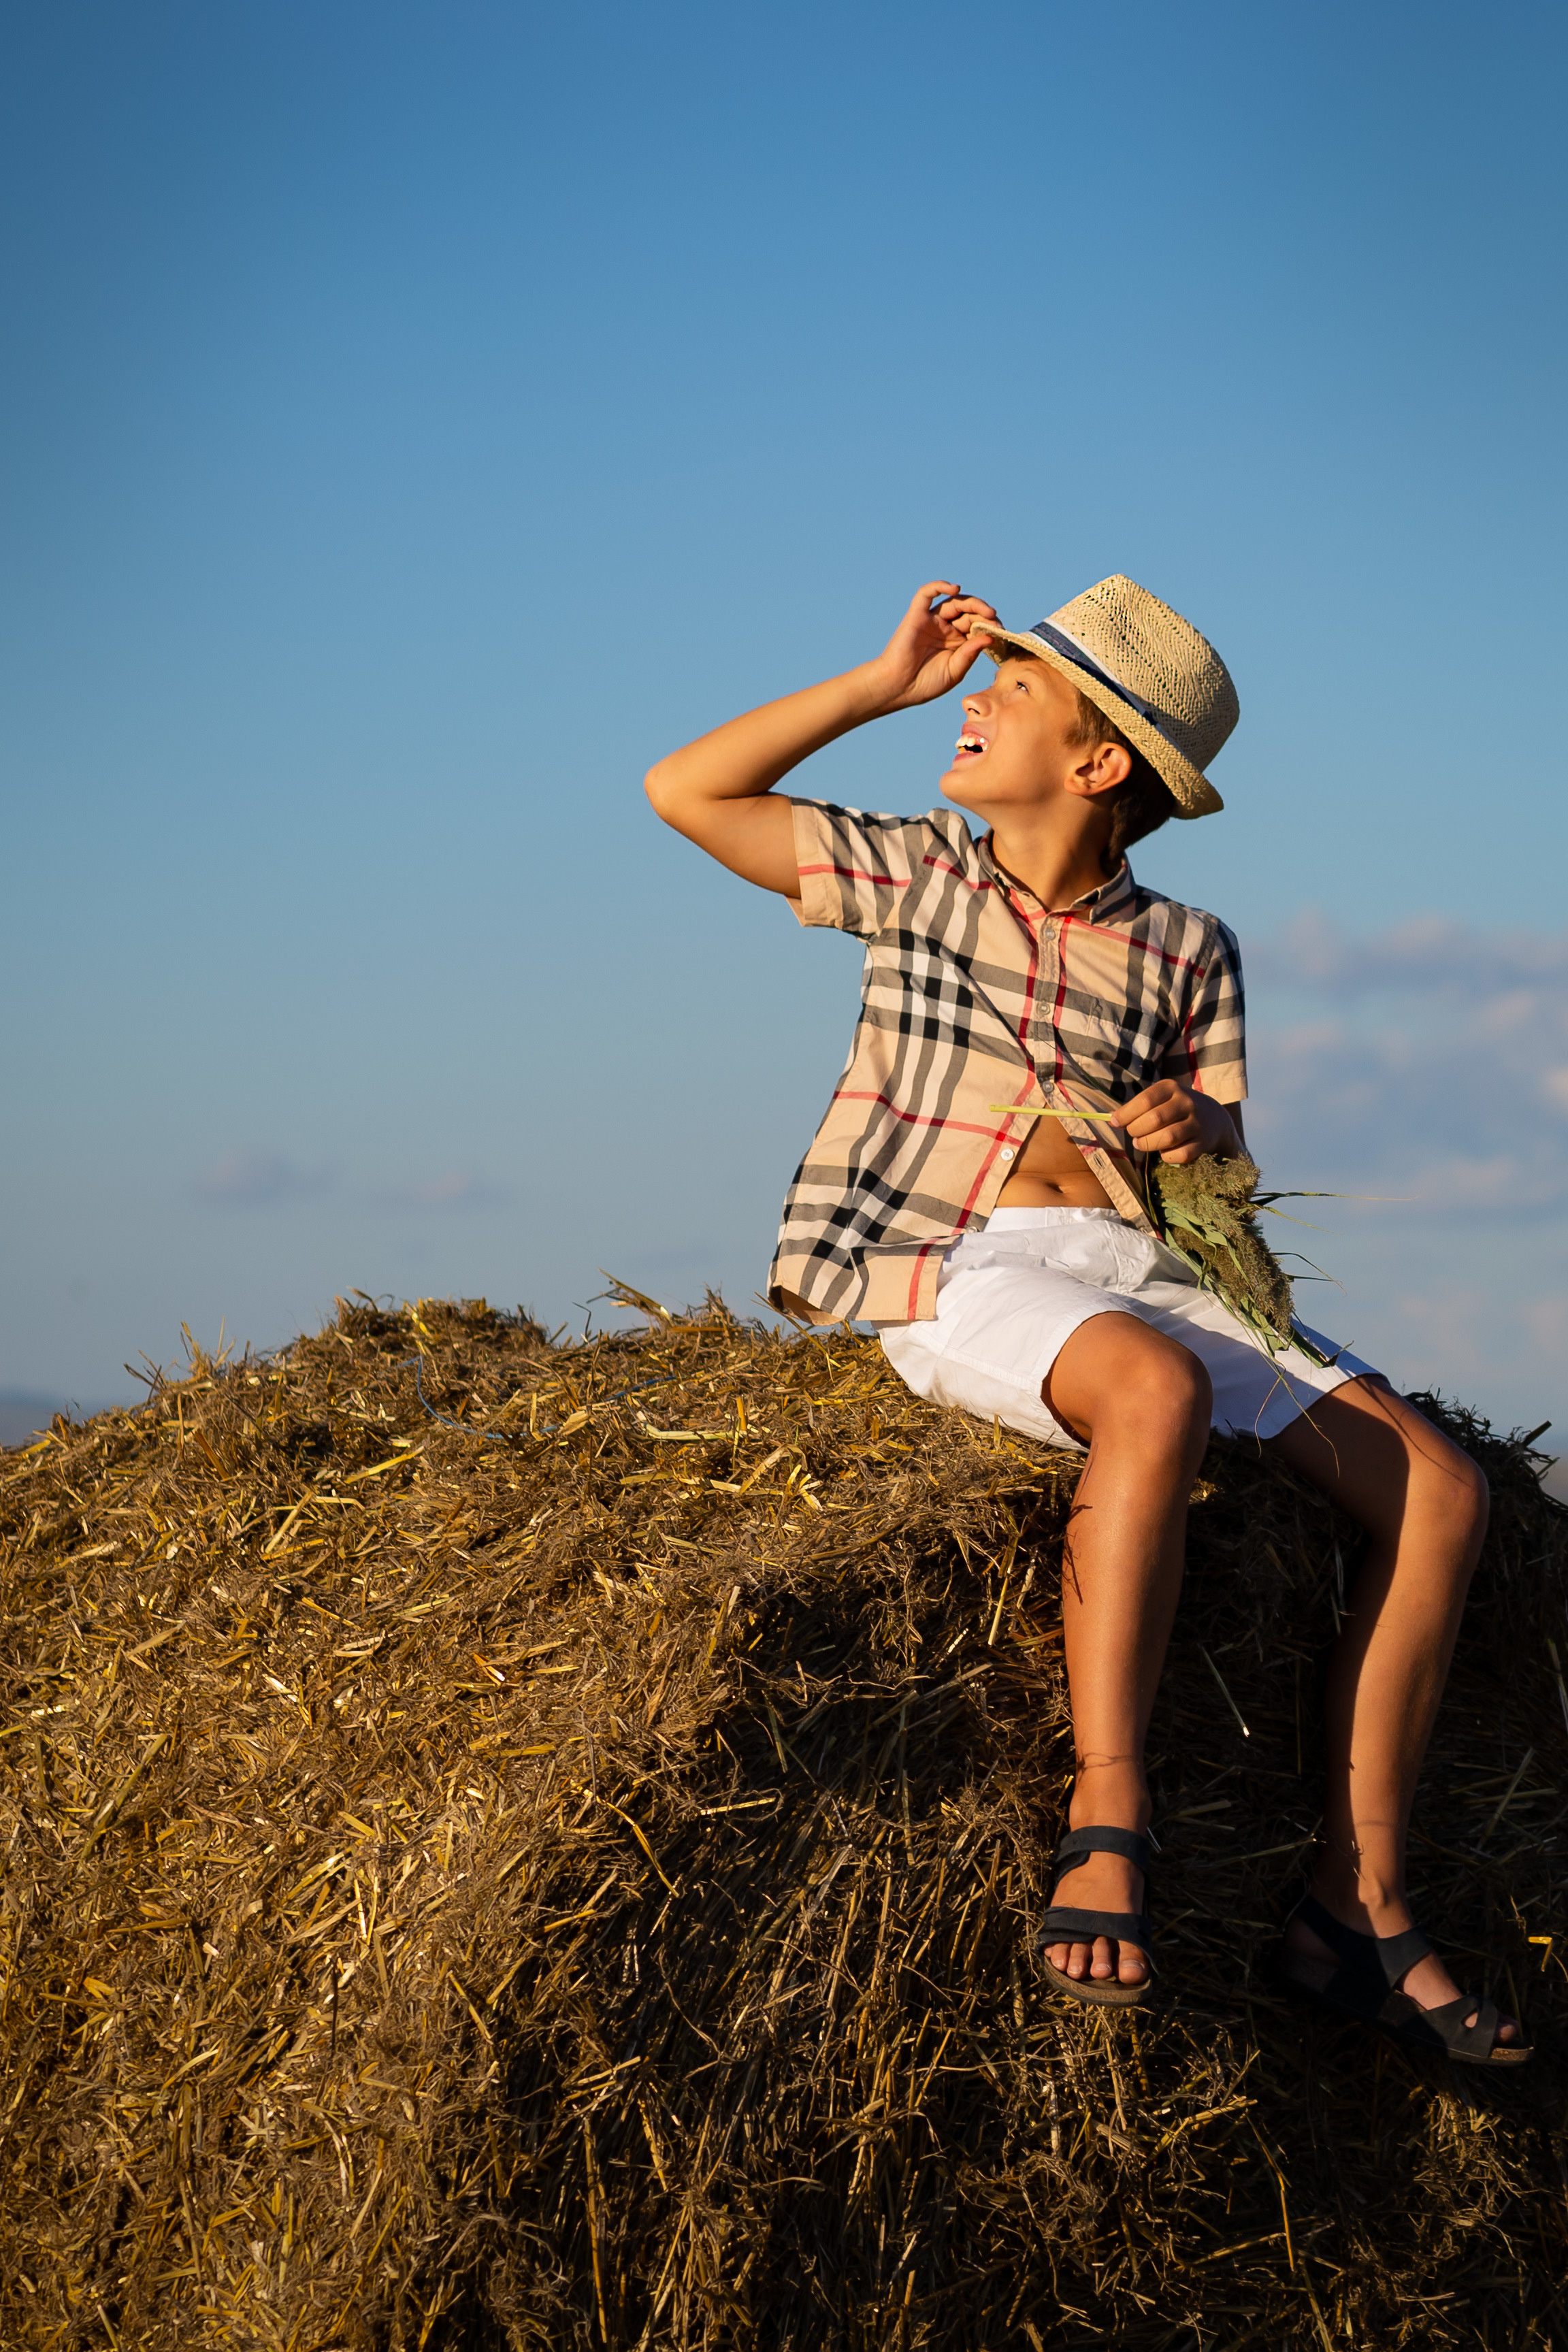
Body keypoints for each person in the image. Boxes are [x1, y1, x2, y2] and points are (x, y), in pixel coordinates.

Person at [644, 576, 1526, 2065]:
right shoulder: (916, 871)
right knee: (1155, 1393)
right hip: (963, 1254)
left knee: (1443, 1492)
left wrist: (1199, 1125)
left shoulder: (1191, 946)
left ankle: (1357, 1905)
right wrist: (878, 685)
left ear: (1098, 762)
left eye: (1014, 690)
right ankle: (1107, 1812)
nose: (975, 699)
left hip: (1153, 1266)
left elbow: (1230, 1153)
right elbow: (689, 790)